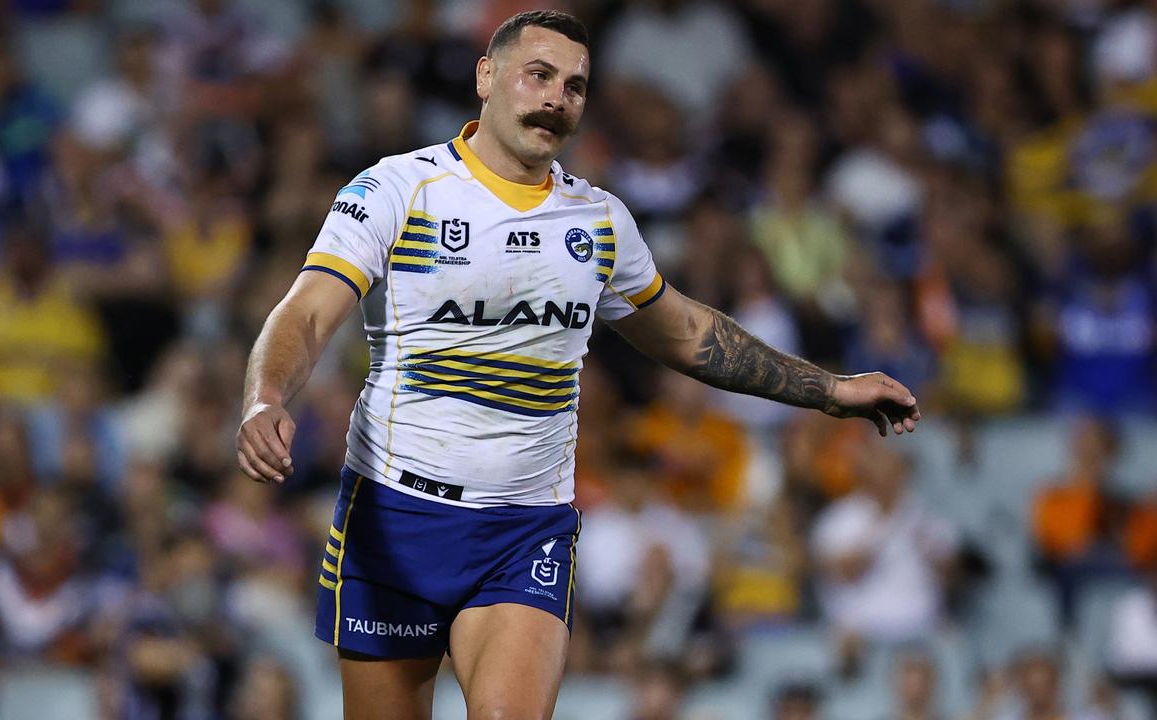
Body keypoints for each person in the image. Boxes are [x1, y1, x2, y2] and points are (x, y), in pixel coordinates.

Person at [236, 10, 921, 719]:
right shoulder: (397, 190)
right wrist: (266, 397)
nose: (557, 98)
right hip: (396, 516)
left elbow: (687, 334)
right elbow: (307, 311)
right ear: (487, 76)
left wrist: (830, 389)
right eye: (539, 75)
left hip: (525, 527)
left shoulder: (596, 222)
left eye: (575, 86)